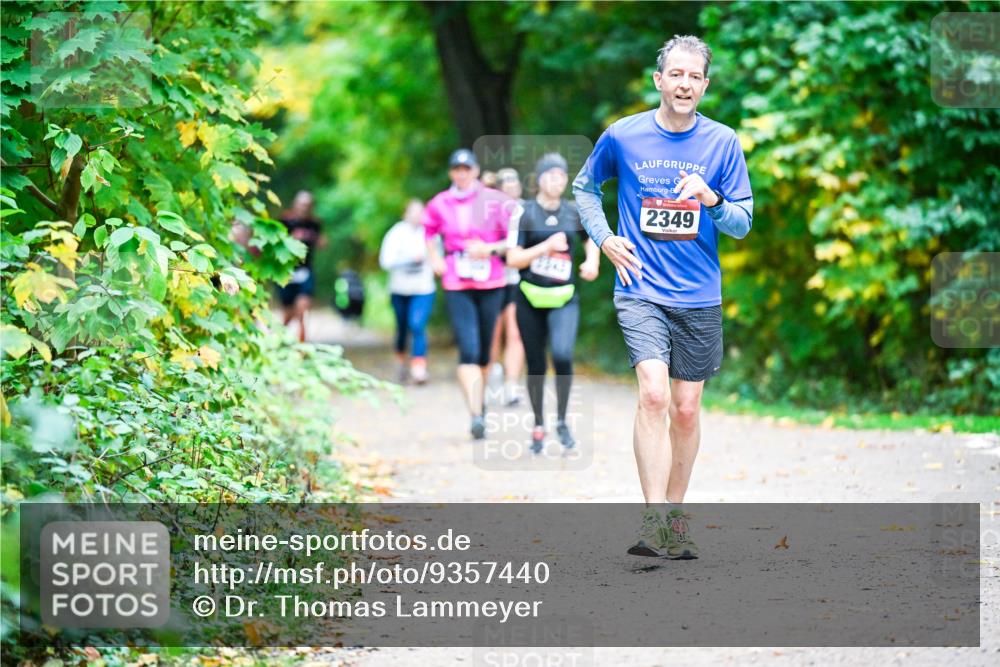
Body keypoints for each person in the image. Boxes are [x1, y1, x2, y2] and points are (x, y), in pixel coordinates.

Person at [573, 35, 754, 559]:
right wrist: (604, 238)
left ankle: (675, 519)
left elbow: (741, 223)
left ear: (704, 85)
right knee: (653, 393)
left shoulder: (722, 143)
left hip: (699, 292)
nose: (684, 84)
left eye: (694, 76)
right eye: (676, 74)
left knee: (686, 409)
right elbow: (586, 189)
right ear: (659, 80)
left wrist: (712, 198)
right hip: (640, 286)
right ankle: (653, 521)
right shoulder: (624, 136)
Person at [507, 154, 599, 454]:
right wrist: (545, 247)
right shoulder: (525, 213)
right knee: (535, 364)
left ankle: (561, 420)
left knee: (562, 354)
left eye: (562, 176)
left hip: (563, 298)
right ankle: (537, 424)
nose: (557, 181)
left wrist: (592, 261)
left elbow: (592, 238)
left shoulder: (573, 212)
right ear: (539, 179)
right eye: (551, 175)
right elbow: (513, 259)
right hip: (530, 297)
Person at [423, 149, 514, 439]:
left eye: (467, 168)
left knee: (486, 351)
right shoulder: (440, 202)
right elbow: (428, 232)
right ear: (452, 173)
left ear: (475, 170)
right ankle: (476, 414)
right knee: (469, 348)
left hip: (491, 281)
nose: (462, 173)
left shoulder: (494, 200)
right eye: (456, 169)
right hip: (457, 281)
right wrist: (435, 258)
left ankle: (481, 404)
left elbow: (511, 237)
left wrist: (489, 249)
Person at [379, 199, 436, 384]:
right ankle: (400, 362)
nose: (418, 216)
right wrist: (410, 259)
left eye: (421, 212)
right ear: (405, 214)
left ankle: (419, 368)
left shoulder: (430, 233)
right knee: (402, 327)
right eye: (414, 212)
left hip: (423, 288)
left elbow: (438, 259)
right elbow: (385, 262)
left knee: (417, 325)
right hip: (400, 289)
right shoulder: (396, 234)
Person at [488, 167, 527, 407]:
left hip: (518, 279)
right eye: (507, 185)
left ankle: (512, 385)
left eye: (515, 184)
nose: (512, 189)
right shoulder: (489, 211)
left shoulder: (529, 210)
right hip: (492, 279)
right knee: (492, 334)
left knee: (515, 332)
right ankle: (491, 374)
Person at [277, 190, 325, 342]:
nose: (304, 208)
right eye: (302, 204)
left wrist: (320, 241)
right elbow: (273, 244)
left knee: (302, 310)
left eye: (308, 205)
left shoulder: (315, 223)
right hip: (286, 271)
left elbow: (321, 241)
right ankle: (277, 340)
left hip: (305, 271)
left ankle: (302, 347)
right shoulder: (284, 221)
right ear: (295, 205)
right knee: (290, 313)